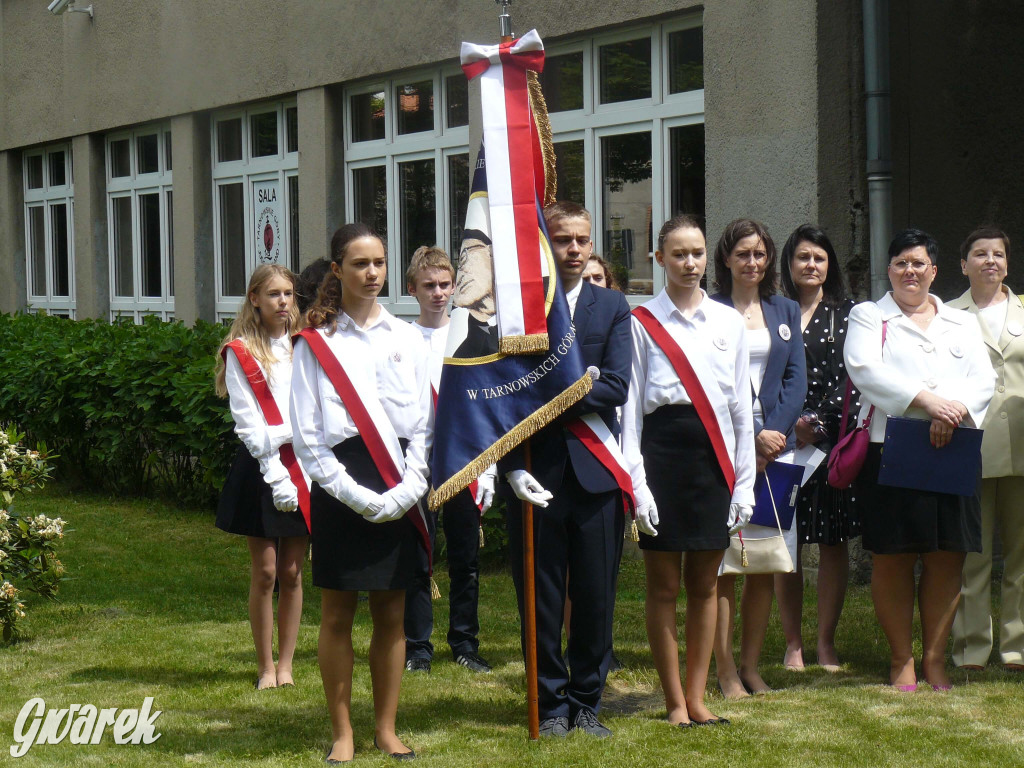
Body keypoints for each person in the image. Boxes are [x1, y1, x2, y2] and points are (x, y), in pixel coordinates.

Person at [290, 223, 431, 762]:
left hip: (398, 479)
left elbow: (423, 428)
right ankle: (343, 732)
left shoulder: (408, 338)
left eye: (379, 263)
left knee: (392, 614)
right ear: (337, 271)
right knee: (337, 614)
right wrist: (355, 496)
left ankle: (387, 729)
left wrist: (407, 489)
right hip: (340, 482)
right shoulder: (316, 345)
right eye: (359, 264)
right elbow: (307, 437)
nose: (371, 274)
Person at [500, 201, 632, 737]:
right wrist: (508, 465)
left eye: (582, 240)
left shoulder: (612, 306)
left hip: (596, 471)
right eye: (562, 240)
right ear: (544, 245)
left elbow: (617, 387)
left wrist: (550, 392)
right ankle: (550, 704)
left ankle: (586, 702)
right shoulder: (520, 308)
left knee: (596, 595)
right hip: (536, 471)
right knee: (541, 594)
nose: (573, 250)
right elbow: (502, 397)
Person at [845, 228, 995, 691]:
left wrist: (953, 412)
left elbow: (984, 379)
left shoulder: (962, 323)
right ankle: (900, 659)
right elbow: (866, 369)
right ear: (889, 271)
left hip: (953, 448)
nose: (909, 271)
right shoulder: (870, 315)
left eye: (918, 264)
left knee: (947, 557)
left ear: (934, 271)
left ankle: (934, 660)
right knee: (893, 556)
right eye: (900, 264)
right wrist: (927, 402)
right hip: (890, 449)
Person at [622, 215, 755, 727]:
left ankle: (699, 697)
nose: (690, 263)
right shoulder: (640, 322)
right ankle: (673, 701)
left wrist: (742, 483)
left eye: (697, 253)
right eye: (679, 254)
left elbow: (741, 409)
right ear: (659, 260)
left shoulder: (727, 321)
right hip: (660, 457)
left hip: (712, 459)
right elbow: (630, 410)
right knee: (663, 586)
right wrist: (639, 486)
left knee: (706, 582)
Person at [711, 218, 807, 699]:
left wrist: (773, 436)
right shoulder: (708, 311)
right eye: (743, 253)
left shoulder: (784, 308)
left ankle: (750, 666)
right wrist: (748, 441)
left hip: (774, 450)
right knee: (726, 565)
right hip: (724, 449)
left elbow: (796, 381)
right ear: (725, 258)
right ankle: (725, 671)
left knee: (764, 562)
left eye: (760, 254)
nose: (752, 262)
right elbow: (707, 383)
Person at [214, 264, 309, 691]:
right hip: (261, 467)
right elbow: (250, 425)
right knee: (266, 571)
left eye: (288, 293)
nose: (283, 302)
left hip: (304, 466)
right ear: (255, 299)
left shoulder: (306, 347)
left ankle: (287, 665)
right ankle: (265, 666)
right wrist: (279, 454)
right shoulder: (239, 353)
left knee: (292, 572)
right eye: (273, 294)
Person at [403, 245, 495, 675]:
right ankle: (417, 646)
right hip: (416, 459)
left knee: (465, 557)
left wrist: (488, 465)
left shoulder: (470, 336)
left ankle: (464, 642)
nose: (439, 293)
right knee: (418, 553)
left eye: (445, 285)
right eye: (429, 286)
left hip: (464, 456)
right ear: (412, 289)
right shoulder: (400, 339)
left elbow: (484, 407)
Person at [775, 224, 859, 672]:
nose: (811, 264)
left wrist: (818, 425)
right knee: (784, 545)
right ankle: (793, 644)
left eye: (819, 258)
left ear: (829, 266)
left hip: (827, 446)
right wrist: (786, 426)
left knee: (830, 542)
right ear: (789, 264)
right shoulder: (774, 312)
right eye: (803, 257)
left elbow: (854, 376)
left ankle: (825, 642)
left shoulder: (846, 314)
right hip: (779, 443)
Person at [948, 227, 1024, 671]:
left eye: (998, 254)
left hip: (1021, 447)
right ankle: (971, 649)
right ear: (964, 265)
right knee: (973, 556)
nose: (989, 261)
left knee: (1021, 555)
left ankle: (1017, 650)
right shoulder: (947, 315)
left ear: (1008, 265)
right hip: (970, 447)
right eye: (979, 254)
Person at [451, 231, 499, 358]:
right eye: (459, 265)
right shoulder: (463, 356)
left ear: (491, 252)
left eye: (465, 257)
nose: (461, 270)